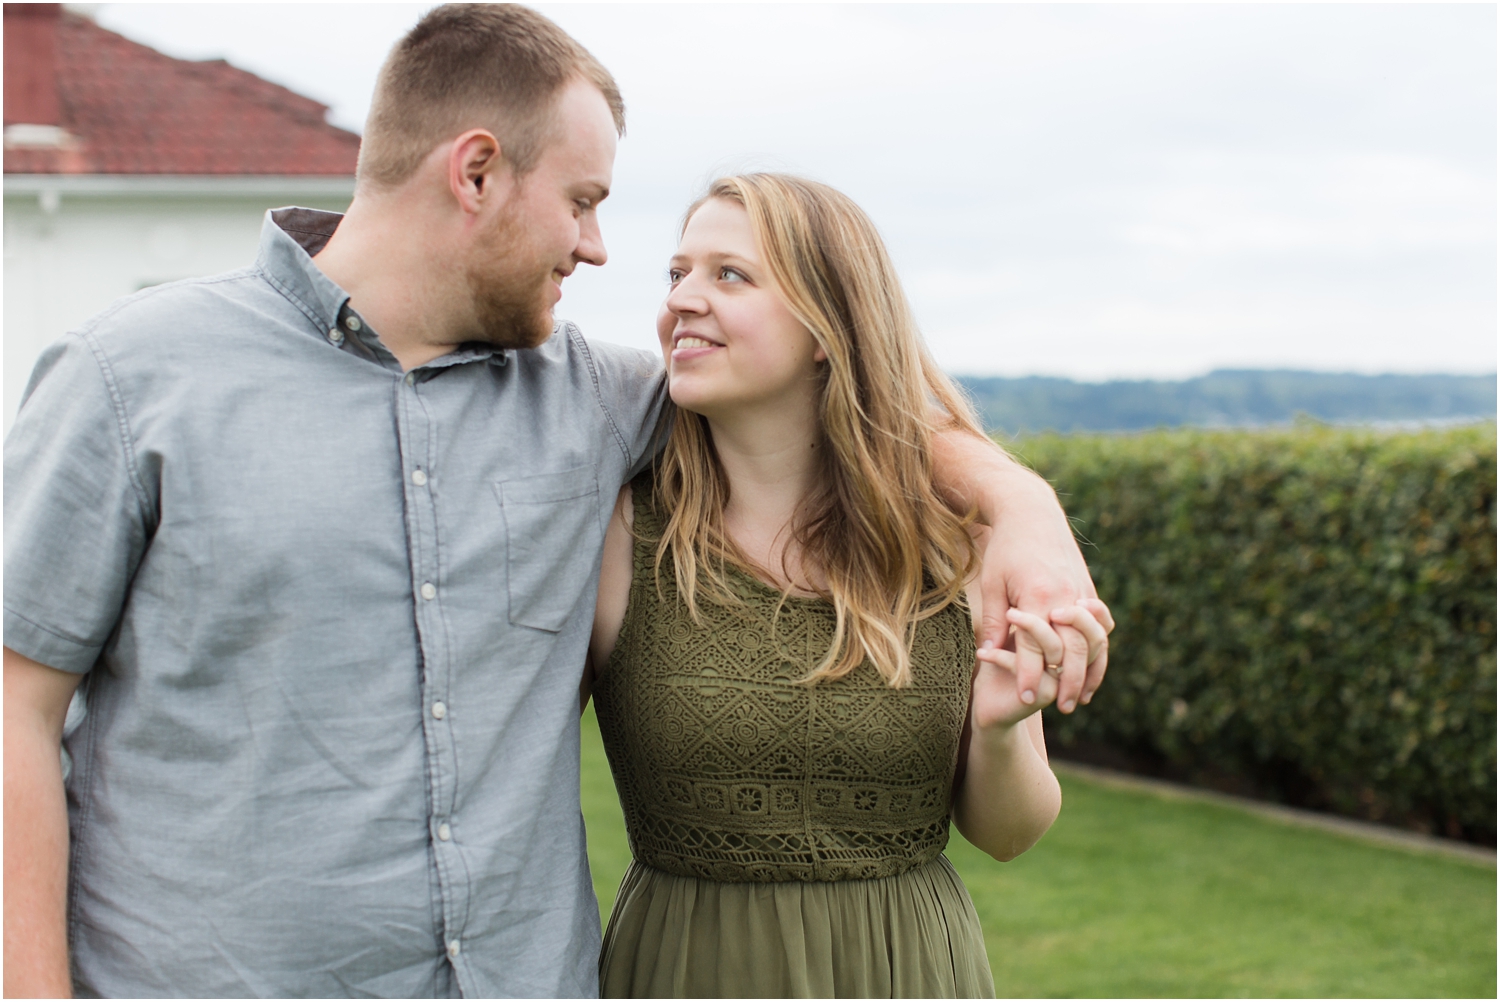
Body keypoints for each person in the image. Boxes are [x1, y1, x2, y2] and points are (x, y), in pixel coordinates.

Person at [4, 6, 1106, 999]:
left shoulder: (597, 402)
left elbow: (850, 414)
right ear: (476, 172)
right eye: (582, 201)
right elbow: (14, 711)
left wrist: (1020, 503)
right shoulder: (129, 379)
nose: (599, 247)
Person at [585, 174, 1112, 998]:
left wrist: (1004, 730)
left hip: (909, 972)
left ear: (828, 327)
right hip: (689, 970)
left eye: (730, 274)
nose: (684, 297)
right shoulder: (622, 535)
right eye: (677, 272)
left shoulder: (955, 551)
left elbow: (1008, 836)